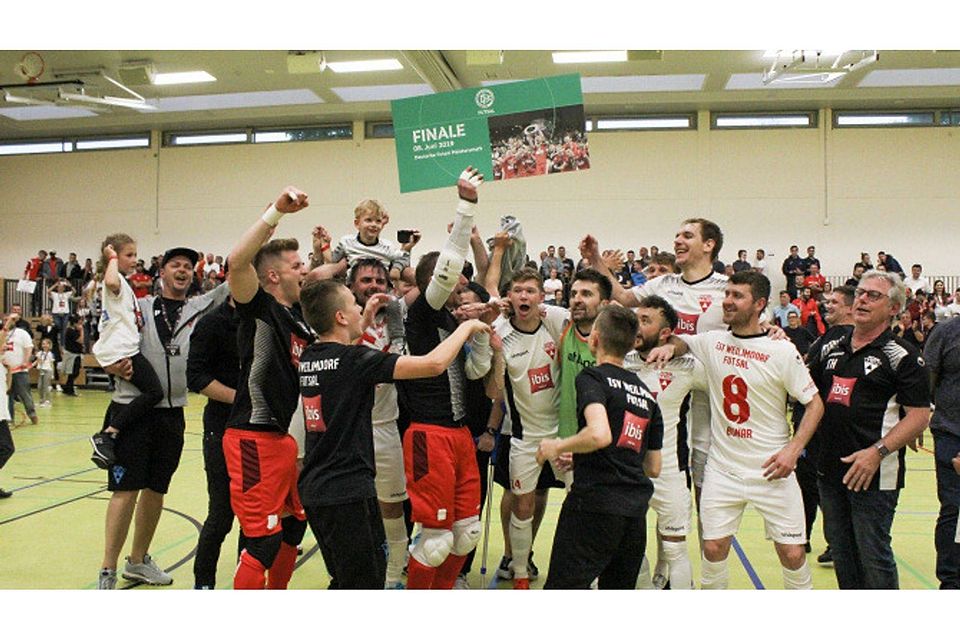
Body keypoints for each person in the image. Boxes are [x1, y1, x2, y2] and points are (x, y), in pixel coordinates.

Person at [296, 279, 491, 588]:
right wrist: (466, 329)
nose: (360, 307)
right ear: (340, 318)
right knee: (364, 584)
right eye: (353, 304)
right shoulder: (354, 361)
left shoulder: (311, 357)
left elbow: (342, 359)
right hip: (347, 489)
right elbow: (434, 364)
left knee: (344, 579)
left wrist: (365, 320)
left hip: (318, 487)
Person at [648, 270, 824, 589]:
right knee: (713, 548)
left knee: (793, 552)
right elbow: (681, 341)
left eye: (736, 296)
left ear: (759, 304)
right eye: (726, 294)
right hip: (724, 468)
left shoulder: (781, 350)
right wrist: (670, 348)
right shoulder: (712, 342)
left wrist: (793, 450)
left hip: (772, 468)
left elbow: (815, 404)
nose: (727, 302)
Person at [96, 246, 228, 589]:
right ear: (162, 272)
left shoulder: (201, 308)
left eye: (188, 266)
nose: (182, 270)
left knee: (156, 490)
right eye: (175, 265)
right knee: (125, 491)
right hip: (132, 409)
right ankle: (107, 570)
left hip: (172, 414)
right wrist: (109, 365)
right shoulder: (136, 307)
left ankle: (138, 561)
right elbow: (107, 339)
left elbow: (237, 279)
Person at [397, 167, 494, 589]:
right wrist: (467, 206)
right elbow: (449, 265)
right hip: (427, 433)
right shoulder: (421, 314)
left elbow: (476, 371)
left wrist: (483, 332)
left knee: (465, 532)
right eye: (454, 289)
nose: (460, 295)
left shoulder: (454, 323)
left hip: (459, 434)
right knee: (435, 540)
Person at [806, 270, 930, 589]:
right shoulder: (831, 345)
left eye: (873, 295)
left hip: (873, 474)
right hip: (829, 469)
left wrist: (876, 453)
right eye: (861, 293)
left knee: (873, 555)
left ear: (893, 309)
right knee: (843, 555)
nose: (862, 299)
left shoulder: (902, 355)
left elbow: (918, 416)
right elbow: (806, 389)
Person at [224, 186, 315, 590]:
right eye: (297, 265)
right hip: (252, 437)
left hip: (281, 440)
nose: (305, 270)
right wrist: (277, 211)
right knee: (261, 542)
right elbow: (237, 261)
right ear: (274, 275)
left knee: (294, 525)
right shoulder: (258, 306)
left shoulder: (298, 321)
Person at [538, 305, 663, 589]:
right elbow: (652, 466)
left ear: (594, 340)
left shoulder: (593, 378)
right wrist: (584, 454)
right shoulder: (646, 394)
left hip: (594, 505)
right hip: (633, 513)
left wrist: (557, 446)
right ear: (632, 345)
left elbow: (599, 435)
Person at [481, 267, 568, 589]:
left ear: (540, 297)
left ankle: (573, 573)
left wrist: (553, 309)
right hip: (523, 437)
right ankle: (519, 573)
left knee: (577, 502)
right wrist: (497, 352)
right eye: (517, 290)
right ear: (510, 297)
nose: (524, 296)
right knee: (522, 504)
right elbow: (493, 392)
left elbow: (586, 320)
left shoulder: (555, 322)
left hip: (564, 435)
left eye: (530, 290)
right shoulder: (501, 333)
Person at [624, 295, 705, 589]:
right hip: (628, 469)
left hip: (670, 469)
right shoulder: (622, 361)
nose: (637, 326)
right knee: (630, 546)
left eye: (645, 321)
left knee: (674, 548)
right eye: (636, 318)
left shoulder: (687, 367)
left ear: (665, 333)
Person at [344, 258, 412, 588]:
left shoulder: (397, 318)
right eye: (366, 280)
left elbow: (423, 285)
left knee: (393, 514)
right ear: (351, 286)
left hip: (386, 426)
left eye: (380, 281)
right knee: (352, 516)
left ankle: (391, 581)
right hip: (347, 430)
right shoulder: (339, 320)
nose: (373, 286)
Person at [89, 235, 165, 470]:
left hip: (120, 347)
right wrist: (110, 257)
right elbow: (111, 281)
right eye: (128, 255)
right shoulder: (116, 281)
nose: (134, 260)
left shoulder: (122, 282)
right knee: (154, 392)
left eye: (135, 254)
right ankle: (108, 433)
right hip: (122, 349)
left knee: (127, 393)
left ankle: (104, 439)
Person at [186, 291, 242, 590]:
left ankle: (246, 581)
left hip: (259, 430)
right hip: (222, 428)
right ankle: (203, 584)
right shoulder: (212, 323)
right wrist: (241, 399)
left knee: (254, 517)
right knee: (221, 514)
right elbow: (195, 376)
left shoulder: (264, 319)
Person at [925, 316, 960, 589]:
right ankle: (950, 582)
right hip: (951, 432)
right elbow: (928, 379)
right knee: (954, 507)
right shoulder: (946, 331)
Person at [3, 311, 37, 425]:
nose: (7, 322)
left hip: (19, 370)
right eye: (5, 320)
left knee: (24, 394)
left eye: (10, 320)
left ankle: (32, 414)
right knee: (7, 395)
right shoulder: (2, 334)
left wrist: (25, 361)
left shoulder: (22, 333)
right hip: (5, 372)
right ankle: (9, 418)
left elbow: (28, 348)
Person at [0, 314, 17, 499]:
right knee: (6, 447)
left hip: (1, 413)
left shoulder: (3, 363)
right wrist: (7, 325)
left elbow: (8, 386)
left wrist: (8, 369)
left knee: (5, 448)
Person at [61, 315, 83, 397]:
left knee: (75, 372)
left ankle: (67, 387)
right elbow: (81, 340)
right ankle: (69, 389)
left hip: (76, 354)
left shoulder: (73, 330)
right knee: (73, 372)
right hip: (72, 354)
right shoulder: (70, 331)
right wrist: (82, 331)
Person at [34, 338, 56, 408]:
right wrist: (31, 365)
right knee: (39, 386)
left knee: (46, 386)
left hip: (48, 371)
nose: (44, 345)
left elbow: (52, 364)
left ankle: (47, 401)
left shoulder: (50, 354)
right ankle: (41, 400)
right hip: (41, 370)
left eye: (46, 344)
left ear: (49, 345)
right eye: (43, 344)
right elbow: (37, 361)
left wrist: (52, 374)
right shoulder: (39, 353)